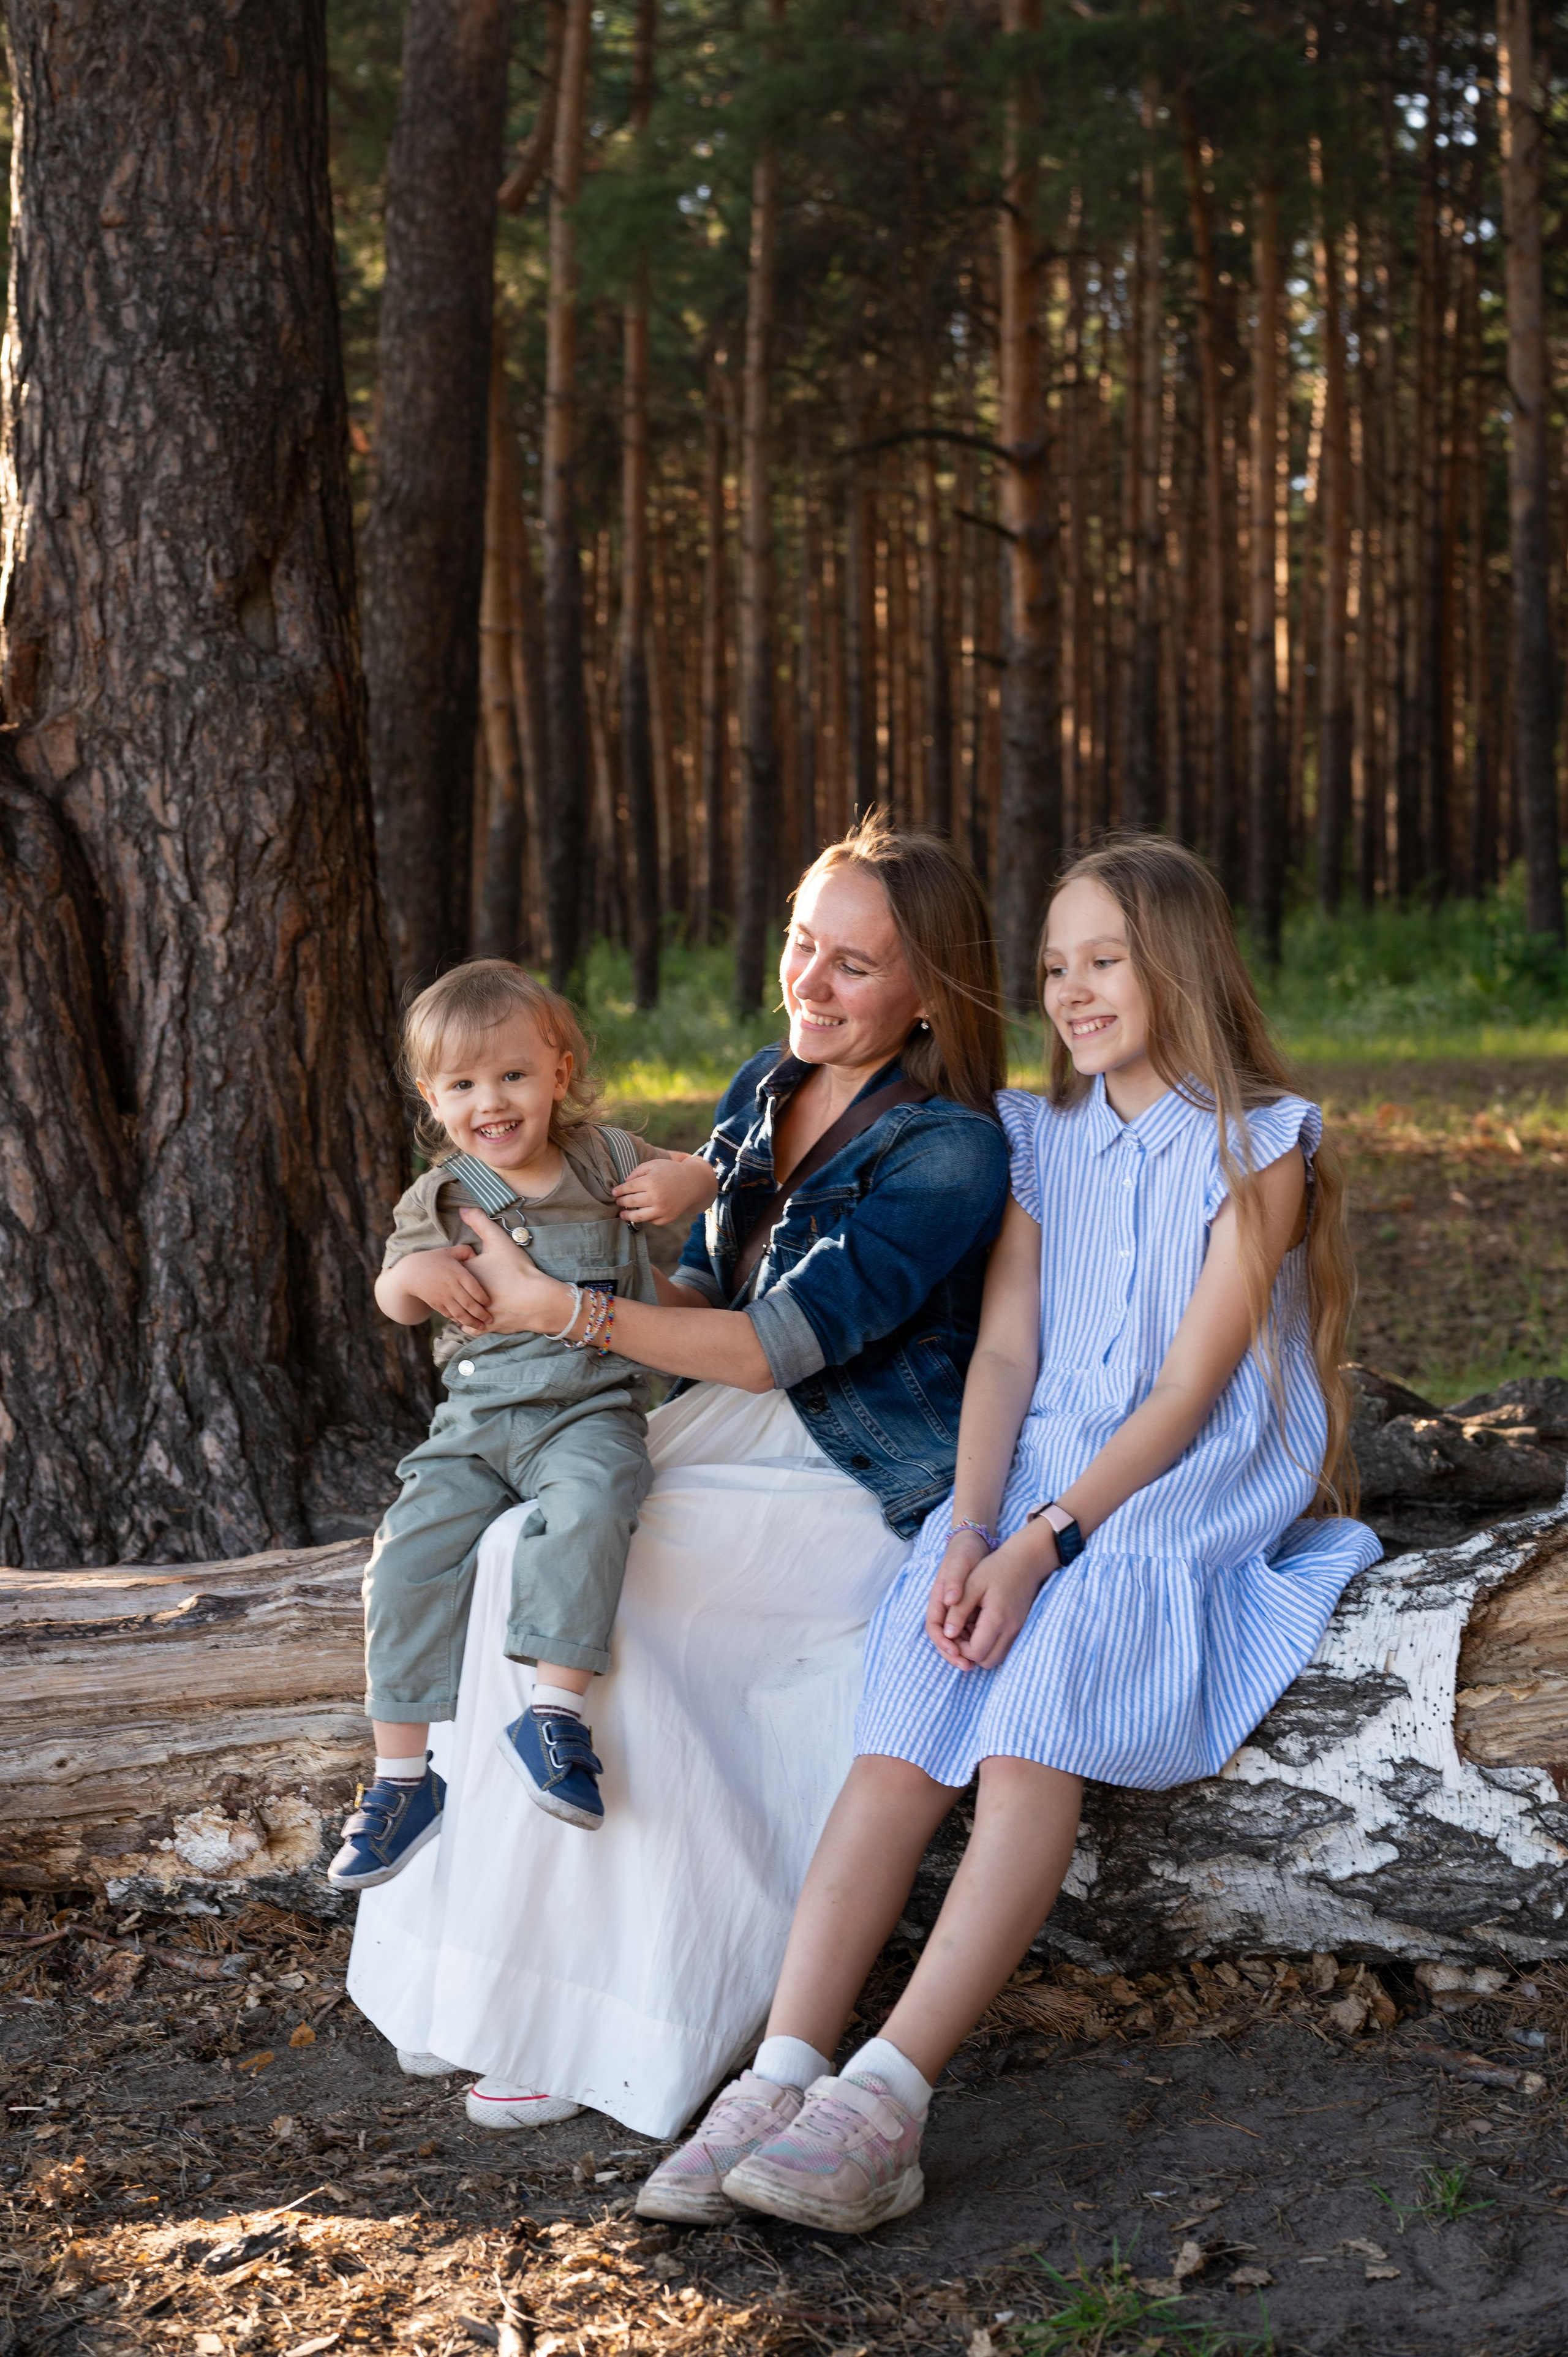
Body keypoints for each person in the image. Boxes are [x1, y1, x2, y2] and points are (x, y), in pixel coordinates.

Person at [636, 832, 1382, 2233]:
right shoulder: (1039, 1140)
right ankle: (779, 2069)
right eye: (1053, 967)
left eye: (1104, 960)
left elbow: (1186, 1388)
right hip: (1029, 1469)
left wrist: (1044, 1542)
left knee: (1028, 1732)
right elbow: (1003, 1357)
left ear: (1178, 965)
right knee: (905, 1728)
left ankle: (886, 2094)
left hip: (1165, 1484)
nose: (1072, 990)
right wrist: (971, 1526)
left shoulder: (1257, 1143)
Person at [345, 816, 1011, 2138]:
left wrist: (558, 1312)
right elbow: (702, 1286)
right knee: (504, 1558)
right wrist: (563, 1277)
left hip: (842, 1464)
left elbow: (776, 1349)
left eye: (853, 967)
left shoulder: (947, 1151)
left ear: (930, 989)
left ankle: (596, 2019)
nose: (808, 986)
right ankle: (481, 1974)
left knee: (624, 1610)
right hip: (700, 1408)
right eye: (799, 945)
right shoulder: (764, 1084)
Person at [328, 962, 718, 1892]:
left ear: (560, 1070)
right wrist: (419, 1282)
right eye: (461, 1086)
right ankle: (401, 1780)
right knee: (409, 1554)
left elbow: (698, 1173)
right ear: (433, 1098)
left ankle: (551, 1713)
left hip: (586, 1411)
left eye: (512, 1075)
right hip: (476, 1424)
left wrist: (683, 1190)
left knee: (593, 1505)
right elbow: (392, 1293)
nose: (490, 1103)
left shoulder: (604, 1158)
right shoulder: (442, 1196)